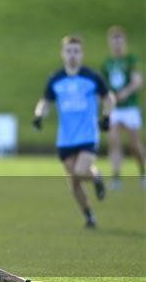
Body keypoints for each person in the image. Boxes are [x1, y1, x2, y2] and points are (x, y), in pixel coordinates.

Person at [32, 36, 114, 228]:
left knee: (81, 170)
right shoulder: (56, 79)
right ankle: (89, 216)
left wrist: (107, 115)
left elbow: (108, 97)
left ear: (82, 54)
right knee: (74, 182)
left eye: (76, 51)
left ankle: (96, 177)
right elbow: (45, 101)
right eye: (69, 51)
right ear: (62, 53)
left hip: (87, 135)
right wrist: (38, 116)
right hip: (66, 138)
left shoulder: (92, 77)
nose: (72, 55)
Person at [101, 26, 145, 190]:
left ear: (124, 41)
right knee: (114, 142)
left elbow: (137, 81)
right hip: (115, 109)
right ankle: (116, 177)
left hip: (130, 108)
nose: (117, 44)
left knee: (134, 145)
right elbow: (104, 86)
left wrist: (125, 92)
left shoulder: (130, 60)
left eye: (119, 40)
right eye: (114, 40)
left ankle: (142, 172)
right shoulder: (108, 63)